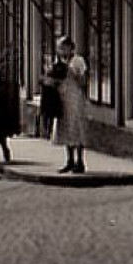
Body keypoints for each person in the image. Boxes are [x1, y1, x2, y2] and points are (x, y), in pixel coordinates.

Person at [51, 36, 88, 173]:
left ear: (70, 47)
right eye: (59, 48)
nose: (61, 51)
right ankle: (69, 160)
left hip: (75, 98)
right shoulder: (59, 61)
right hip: (62, 98)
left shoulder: (78, 61)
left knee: (76, 127)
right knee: (65, 128)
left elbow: (83, 82)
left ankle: (80, 161)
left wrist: (71, 72)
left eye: (63, 47)